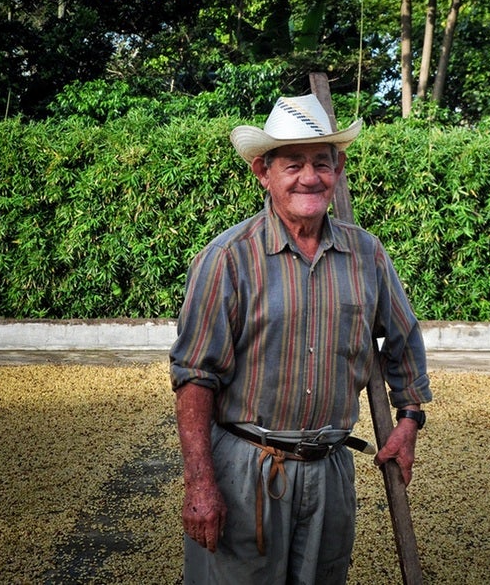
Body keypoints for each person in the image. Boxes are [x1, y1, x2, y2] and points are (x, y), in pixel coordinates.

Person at [169, 94, 433, 584]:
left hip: (330, 472)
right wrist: (200, 482)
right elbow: (195, 376)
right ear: (262, 172)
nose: (309, 177)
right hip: (246, 468)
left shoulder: (366, 254)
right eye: (293, 164)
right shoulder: (229, 258)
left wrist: (409, 419)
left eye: (321, 162)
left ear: (339, 168)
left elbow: (403, 339)